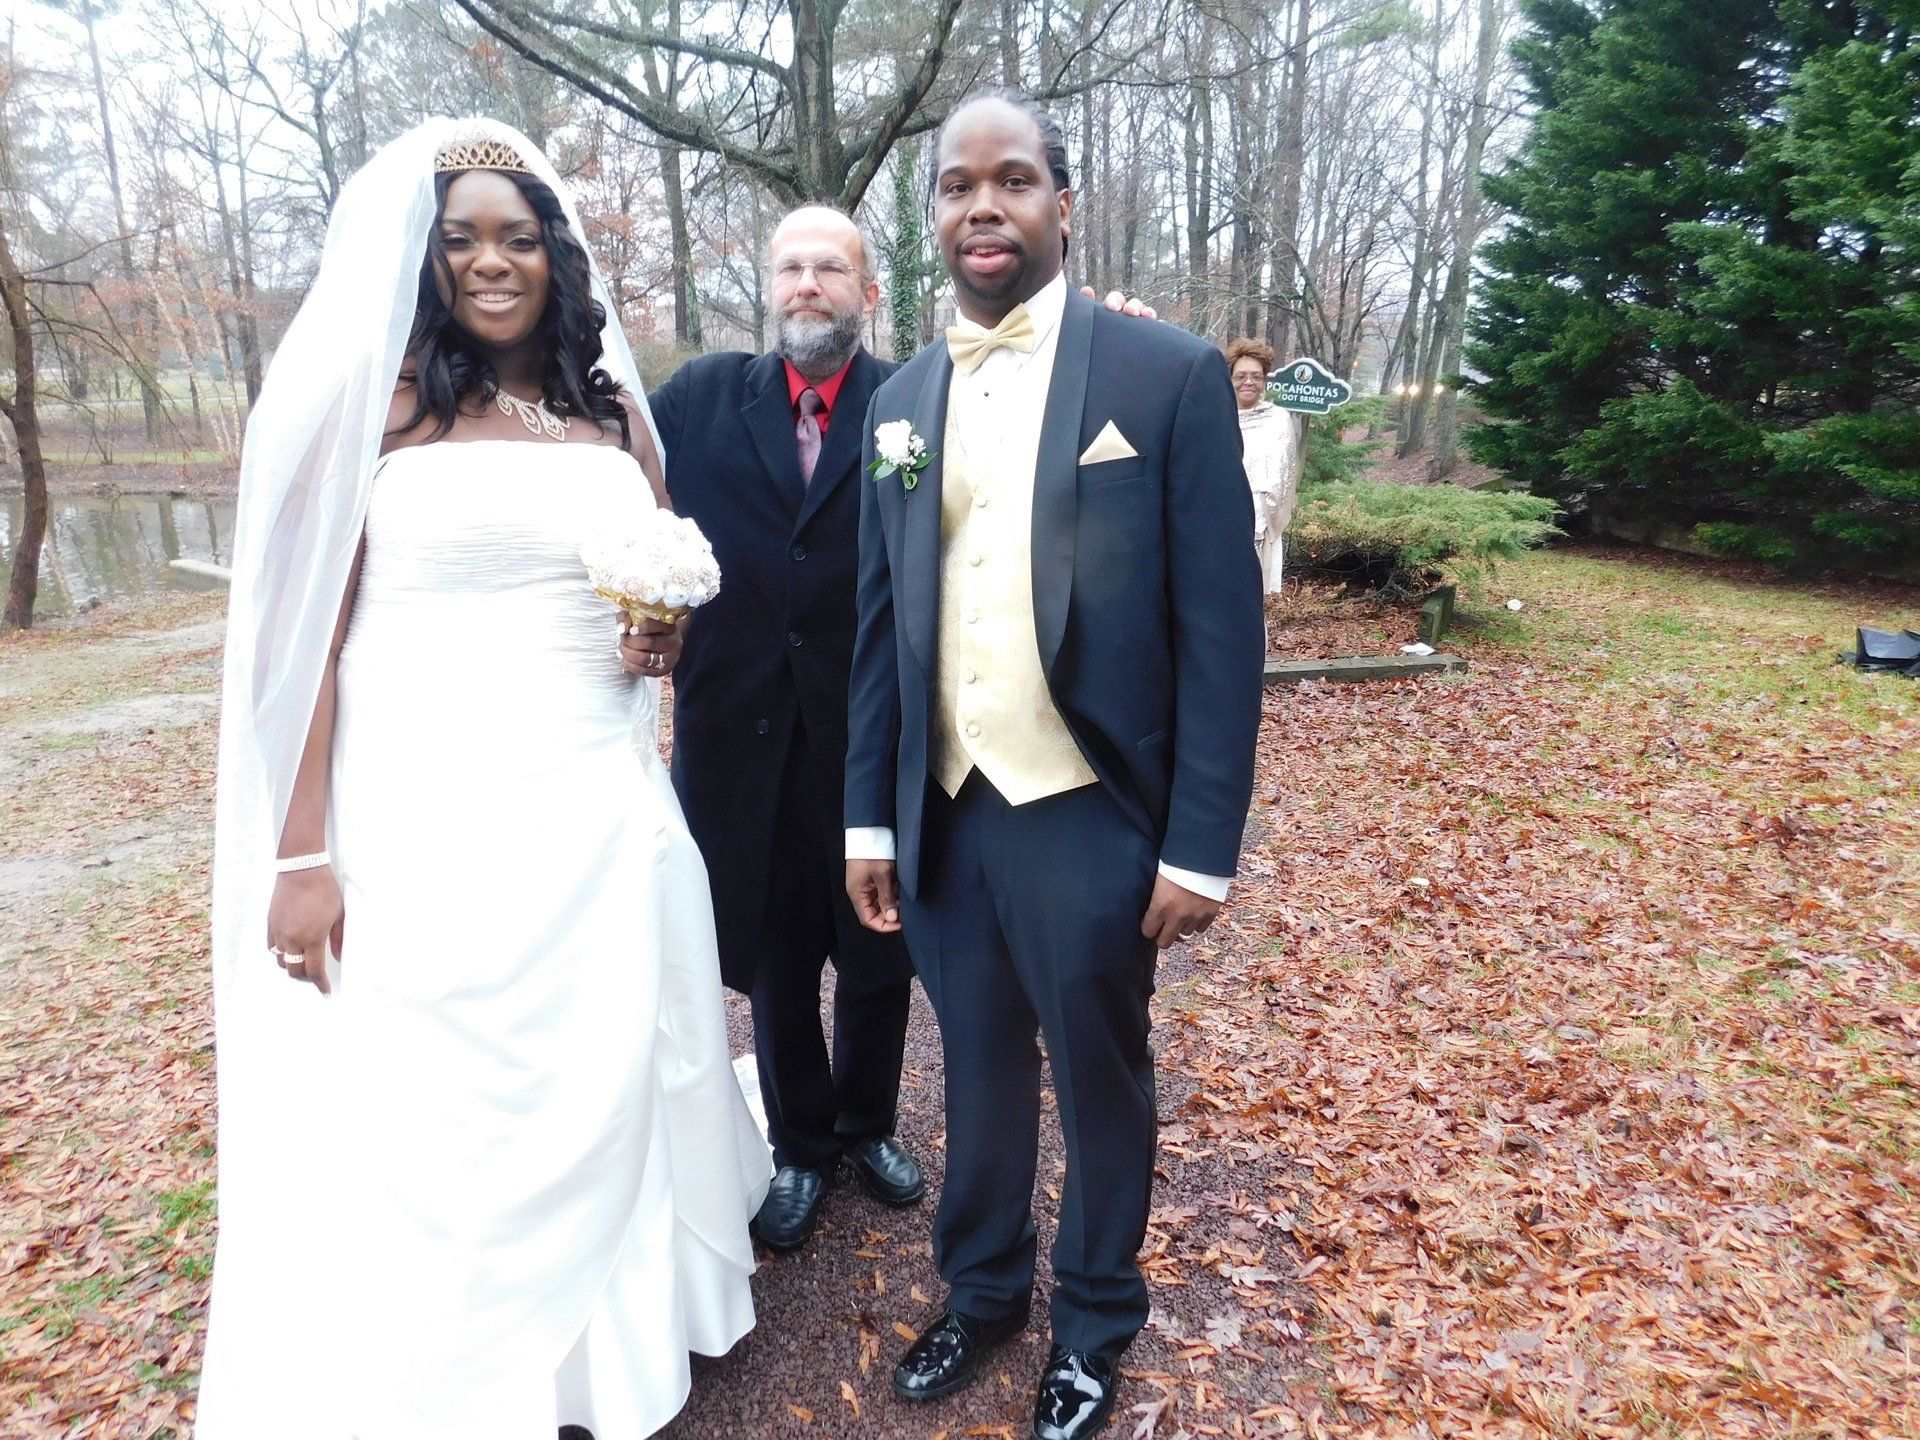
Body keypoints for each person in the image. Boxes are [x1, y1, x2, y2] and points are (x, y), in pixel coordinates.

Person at [197, 118, 768, 1440]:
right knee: (435, 1100)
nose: (492, 262)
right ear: (427, 258)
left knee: (614, 1064)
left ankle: (605, 1353)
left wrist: (657, 636)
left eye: (517, 237)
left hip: (592, 798)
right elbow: (304, 648)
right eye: (463, 240)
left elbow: (653, 615)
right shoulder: (378, 409)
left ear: (553, 255)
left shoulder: (608, 412)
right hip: (415, 808)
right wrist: (297, 854)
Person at [844, 93, 1265, 1440]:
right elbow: (878, 628)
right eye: (959, 185)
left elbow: (1221, 630)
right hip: (949, 811)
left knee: (1098, 1076)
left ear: (1061, 205)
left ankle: (1093, 1321)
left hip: (1090, 803)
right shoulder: (899, 401)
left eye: (1013, 180)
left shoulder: (1167, 377)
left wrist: (1202, 842)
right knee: (970, 1066)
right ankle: (984, 1291)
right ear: (936, 218)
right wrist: (868, 819)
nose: (985, 205)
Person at [645, 207, 925, 1251]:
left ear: (869, 290)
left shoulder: (915, 402)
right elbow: (601, 461)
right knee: (772, 949)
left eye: (831, 267)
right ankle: (802, 1144)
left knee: (878, 941)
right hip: (740, 735)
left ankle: (868, 1124)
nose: (808, 284)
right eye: (791, 267)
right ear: (770, 285)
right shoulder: (704, 399)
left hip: (872, 735)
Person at [1228, 337, 1299, 593]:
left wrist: (1269, 522)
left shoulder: (1278, 419)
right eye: (1241, 375)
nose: (1249, 382)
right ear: (1230, 378)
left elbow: (1287, 474)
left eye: (1256, 376)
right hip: (1221, 519)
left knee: (1252, 595)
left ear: (1264, 380)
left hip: (1262, 522)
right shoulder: (1217, 416)